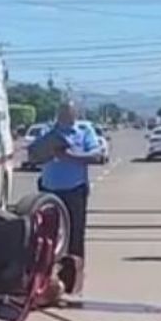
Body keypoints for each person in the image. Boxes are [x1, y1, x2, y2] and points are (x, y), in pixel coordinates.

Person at [37, 101, 103, 291]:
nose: (65, 116)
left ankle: (72, 281)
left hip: (74, 190)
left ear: (75, 114)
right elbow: (34, 154)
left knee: (75, 235)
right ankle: (45, 279)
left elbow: (96, 155)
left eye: (69, 113)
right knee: (47, 235)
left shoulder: (84, 131)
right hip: (49, 191)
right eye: (62, 113)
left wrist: (71, 156)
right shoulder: (47, 132)